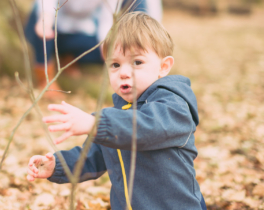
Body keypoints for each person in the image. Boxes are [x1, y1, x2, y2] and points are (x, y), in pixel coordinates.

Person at [26, 12, 207, 210]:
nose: (123, 73)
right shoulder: (118, 116)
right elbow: (92, 156)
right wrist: (56, 166)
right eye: (115, 64)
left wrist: (96, 124)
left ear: (163, 67)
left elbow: (145, 127)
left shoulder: (174, 107)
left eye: (137, 62)